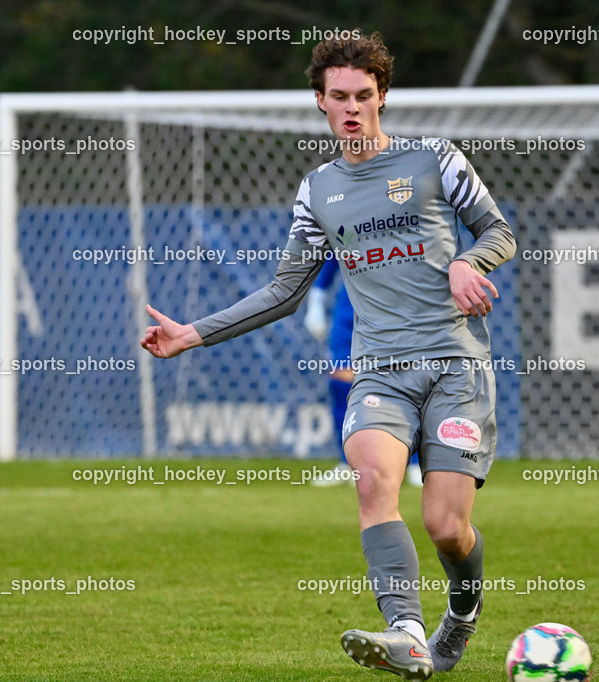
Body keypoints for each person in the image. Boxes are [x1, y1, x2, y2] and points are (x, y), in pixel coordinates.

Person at [141, 30, 516, 680]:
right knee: (374, 480)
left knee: (446, 527)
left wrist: (467, 260)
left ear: (383, 96)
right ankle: (407, 633)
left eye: (363, 96)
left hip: (457, 368)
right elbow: (285, 291)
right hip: (379, 371)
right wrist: (190, 334)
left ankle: (461, 610)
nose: (352, 108)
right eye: (338, 96)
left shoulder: (435, 159)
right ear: (319, 101)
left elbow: (499, 231)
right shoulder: (317, 191)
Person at [303, 254, 422, 488]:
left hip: (397, 308)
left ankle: (416, 462)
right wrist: (315, 299)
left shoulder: (402, 221)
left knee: (406, 382)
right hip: (350, 309)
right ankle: (347, 463)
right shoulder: (343, 220)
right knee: (342, 382)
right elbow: (331, 255)